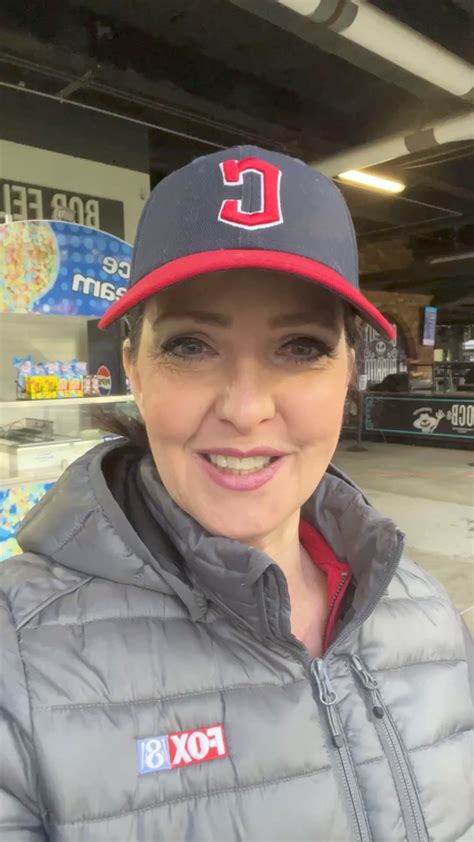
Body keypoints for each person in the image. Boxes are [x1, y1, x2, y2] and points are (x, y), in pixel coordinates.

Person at [0, 146, 471, 842]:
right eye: (190, 346)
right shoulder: (16, 661)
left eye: (301, 347)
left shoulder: (425, 614)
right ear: (134, 369)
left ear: (348, 371)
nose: (246, 410)